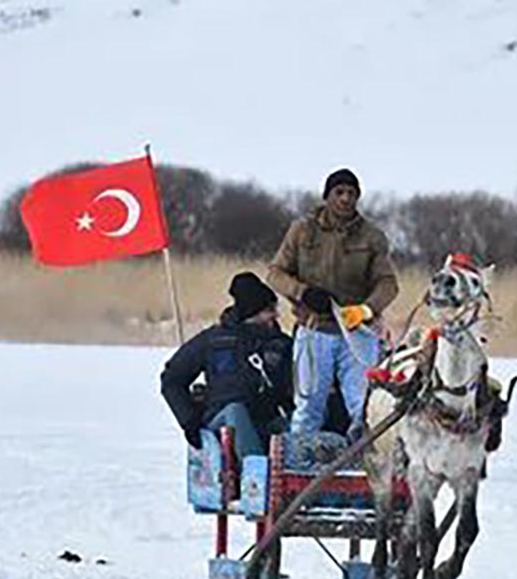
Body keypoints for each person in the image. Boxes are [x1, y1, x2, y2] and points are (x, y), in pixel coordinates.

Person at [267, 168, 399, 442]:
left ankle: (366, 468)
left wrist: (367, 309)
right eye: (339, 192)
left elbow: (388, 283)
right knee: (308, 408)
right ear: (327, 196)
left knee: (364, 408)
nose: (345, 199)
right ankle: (300, 465)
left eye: (352, 193)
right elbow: (275, 274)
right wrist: (302, 293)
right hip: (313, 331)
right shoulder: (302, 230)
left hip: (357, 334)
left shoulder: (372, 236)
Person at [160, 272, 294, 460]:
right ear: (252, 312)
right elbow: (172, 379)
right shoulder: (214, 341)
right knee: (236, 412)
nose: (276, 315)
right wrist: (189, 421)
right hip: (222, 422)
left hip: (266, 420)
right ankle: (255, 473)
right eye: (269, 310)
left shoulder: (281, 344)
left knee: (298, 426)